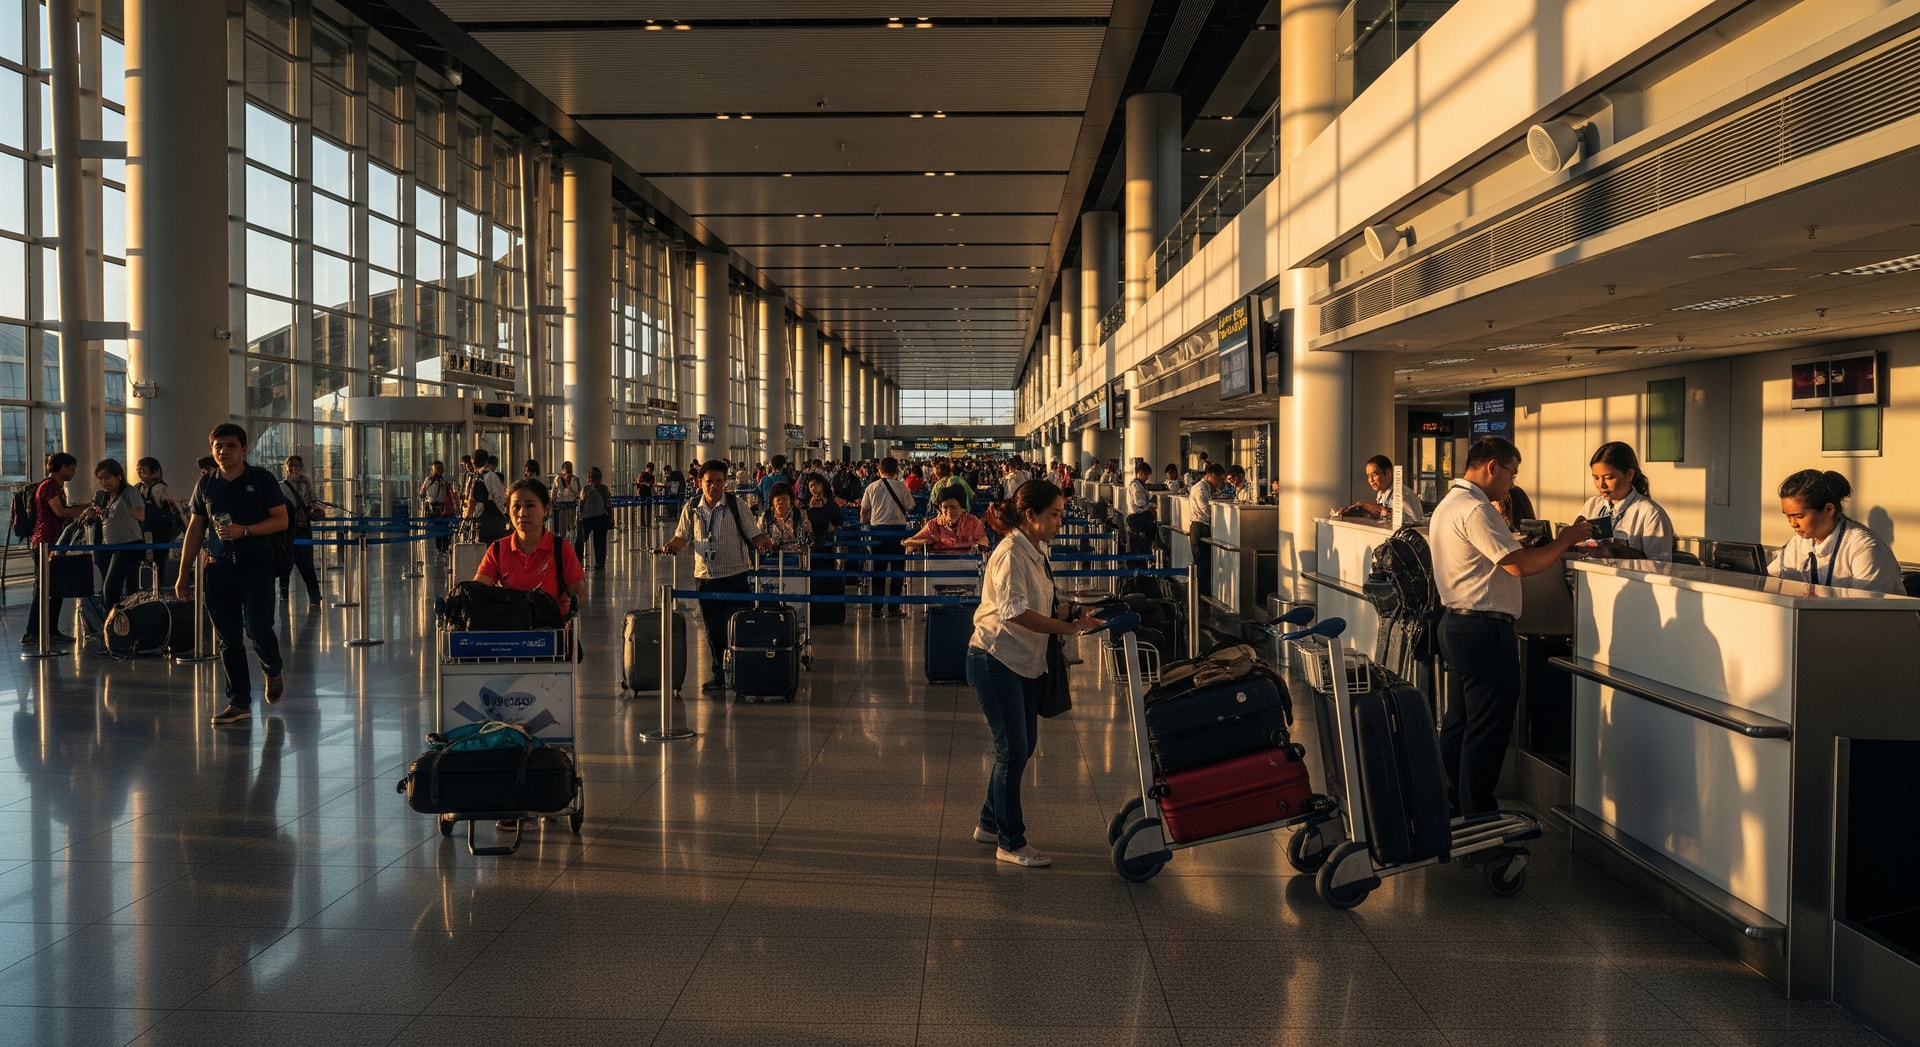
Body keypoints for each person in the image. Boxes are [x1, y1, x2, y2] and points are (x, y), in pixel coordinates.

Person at [1429, 437, 1592, 814]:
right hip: (1484, 630)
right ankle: (1479, 811)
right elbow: (1520, 565)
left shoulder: (1448, 505)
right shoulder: (1475, 508)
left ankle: (1452, 802)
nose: (1511, 484)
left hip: (1456, 623)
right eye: (1511, 474)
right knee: (1487, 726)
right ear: (1492, 466)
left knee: (1461, 720)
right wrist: (1564, 540)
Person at [966, 479, 1102, 868]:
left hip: (1021, 661)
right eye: (1055, 514)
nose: (1061, 521)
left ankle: (990, 822)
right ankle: (1011, 841)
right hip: (996, 660)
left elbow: (1040, 604)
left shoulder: (1036, 550)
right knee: (1012, 751)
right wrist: (1069, 630)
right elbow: (1014, 613)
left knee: (1021, 747)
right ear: (1030, 516)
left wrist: (1074, 615)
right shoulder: (1010, 554)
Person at [175, 423, 290, 727]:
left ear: (243, 448)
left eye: (230, 446)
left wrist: (246, 531)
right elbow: (196, 528)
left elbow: (281, 520)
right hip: (219, 568)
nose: (223, 452)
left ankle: (272, 669)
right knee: (228, 639)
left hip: (257, 566)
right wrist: (183, 572)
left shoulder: (260, 479)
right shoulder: (206, 484)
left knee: (258, 628)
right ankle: (238, 702)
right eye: (218, 447)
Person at [657, 461, 774, 692]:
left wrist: (765, 543)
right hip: (705, 577)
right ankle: (718, 673)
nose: (714, 486)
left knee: (739, 625)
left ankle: (743, 670)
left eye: (719, 481)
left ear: (725, 482)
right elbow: (682, 537)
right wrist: (670, 546)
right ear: (699, 483)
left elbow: (754, 534)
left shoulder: (736, 504)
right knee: (713, 629)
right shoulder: (692, 507)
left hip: (735, 574)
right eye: (709, 481)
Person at [1768, 469, 1903, 595]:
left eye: (1799, 516)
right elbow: (1771, 583)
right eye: (1787, 515)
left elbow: (1866, 609)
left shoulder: (1866, 548)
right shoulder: (1797, 543)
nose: (1792, 523)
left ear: (1828, 510)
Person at [474, 477, 586, 619]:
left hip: (552, 633)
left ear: (546, 509)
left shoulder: (561, 549)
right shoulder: (497, 550)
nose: (522, 513)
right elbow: (477, 592)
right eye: (516, 506)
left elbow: (578, 594)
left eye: (530, 505)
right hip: (510, 634)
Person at [22, 453, 96, 645]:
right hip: (45, 542)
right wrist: (82, 510)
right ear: (62, 467)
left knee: (54, 587)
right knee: (44, 587)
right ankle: (33, 631)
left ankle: (50, 630)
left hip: (53, 542)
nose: (73, 473)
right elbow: (60, 512)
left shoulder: (55, 487)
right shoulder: (49, 486)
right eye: (72, 468)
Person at [1579, 442, 1674, 561]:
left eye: (1609, 478)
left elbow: (1660, 565)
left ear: (1629, 474)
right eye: (1596, 478)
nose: (1601, 485)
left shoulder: (1650, 513)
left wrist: (1623, 553)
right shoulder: (1592, 505)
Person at [88, 459, 147, 629]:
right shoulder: (105, 496)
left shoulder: (129, 492)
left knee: (111, 589)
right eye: (100, 479)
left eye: (107, 478)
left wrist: (120, 511)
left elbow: (141, 515)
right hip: (110, 546)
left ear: (118, 476)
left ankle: (113, 628)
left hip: (129, 545)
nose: (103, 482)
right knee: (127, 589)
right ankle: (125, 627)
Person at [859, 456, 914, 618]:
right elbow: (910, 507)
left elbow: (863, 512)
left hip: (877, 532)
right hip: (898, 532)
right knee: (897, 570)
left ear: (879, 470)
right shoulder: (902, 487)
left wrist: (865, 525)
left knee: (878, 570)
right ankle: (894, 608)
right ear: (896, 470)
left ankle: (876, 608)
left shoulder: (871, 487)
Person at [278, 454, 325, 607]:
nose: (294, 469)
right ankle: (283, 592)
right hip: (288, 529)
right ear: (287, 468)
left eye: (297, 466)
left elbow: (313, 500)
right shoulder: (282, 486)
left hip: (304, 527)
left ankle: (314, 596)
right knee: (286, 563)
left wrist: (315, 510)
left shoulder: (306, 484)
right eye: (292, 466)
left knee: (307, 565)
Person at [1337, 454, 1425, 525]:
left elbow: (1415, 522)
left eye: (1374, 475)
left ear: (1388, 473)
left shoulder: (1403, 494)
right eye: (1368, 476)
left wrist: (1364, 505)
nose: (1371, 480)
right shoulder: (1381, 494)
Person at [135, 456, 180, 593]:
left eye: (144, 470)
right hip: (144, 530)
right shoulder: (138, 487)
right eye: (138, 470)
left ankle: (158, 589)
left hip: (160, 530)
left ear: (155, 472)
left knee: (159, 560)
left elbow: (172, 508)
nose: (140, 473)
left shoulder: (159, 488)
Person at [905, 491, 988, 553]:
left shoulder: (973, 522)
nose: (949, 511)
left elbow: (983, 542)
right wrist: (925, 543)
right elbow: (908, 542)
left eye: (953, 507)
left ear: (961, 507)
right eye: (945, 507)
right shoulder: (933, 525)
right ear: (940, 508)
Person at [1187, 463, 1225, 597]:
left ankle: (1201, 594)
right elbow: (1205, 509)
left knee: (1204, 563)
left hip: (1200, 526)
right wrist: (1218, 515)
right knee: (1202, 563)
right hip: (1200, 527)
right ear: (1211, 476)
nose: (1220, 483)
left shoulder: (1206, 487)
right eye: (1219, 479)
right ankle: (1200, 596)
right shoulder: (1201, 489)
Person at [466, 450, 509, 543]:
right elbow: (499, 497)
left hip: (479, 519)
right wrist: (503, 513)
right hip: (493, 519)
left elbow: (470, 499)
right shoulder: (490, 476)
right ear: (486, 461)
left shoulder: (475, 477)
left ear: (473, 463)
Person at [575, 467, 613, 570]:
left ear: (589, 478)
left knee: (580, 540)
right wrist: (610, 517)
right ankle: (599, 563)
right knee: (600, 542)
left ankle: (577, 560)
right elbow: (608, 504)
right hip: (601, 518)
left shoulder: (586, 489)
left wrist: (579, 516)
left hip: (587, 519)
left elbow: (581, 503)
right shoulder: (604, 489)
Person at [759, 481, 810, 552]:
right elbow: (759, 538)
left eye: (785, 499)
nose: (781, 503)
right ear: (772, 501)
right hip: (771, 559)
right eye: (778, 500)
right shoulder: (765, 517)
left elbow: (808, 538)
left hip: (795, 558)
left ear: (790, 500)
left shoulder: (800, 515)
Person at [418, 460, 456, 553]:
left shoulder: (440, 482)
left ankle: (442, 547)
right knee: (442, 528)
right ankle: (442, 547)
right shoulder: (439, 482)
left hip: (440, 508)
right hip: (438, 508)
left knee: (441, 528)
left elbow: (422, 493)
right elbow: (422, 493)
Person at [1124, 462, 1157, 554]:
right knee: (1138, 544)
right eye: (1147, 475)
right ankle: (1137, 564)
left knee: (1145, 542)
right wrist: (1153, 505)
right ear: (1141, 473)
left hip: (1141, 517)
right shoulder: (1135, 486)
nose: (1147, 478)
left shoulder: (1141, 485)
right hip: (1136, 518)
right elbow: (1140, 503)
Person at [550, 461, 581, 544]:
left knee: (571, 525)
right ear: (563, 470)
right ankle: (561, 542)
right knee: (561, 527)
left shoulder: (575, 479)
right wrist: (552, 503)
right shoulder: (558, 478)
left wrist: (570, 486)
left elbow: (578, 493)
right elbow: (554, 491)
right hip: (560, 506)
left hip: (571, 505)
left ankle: (570, 542)